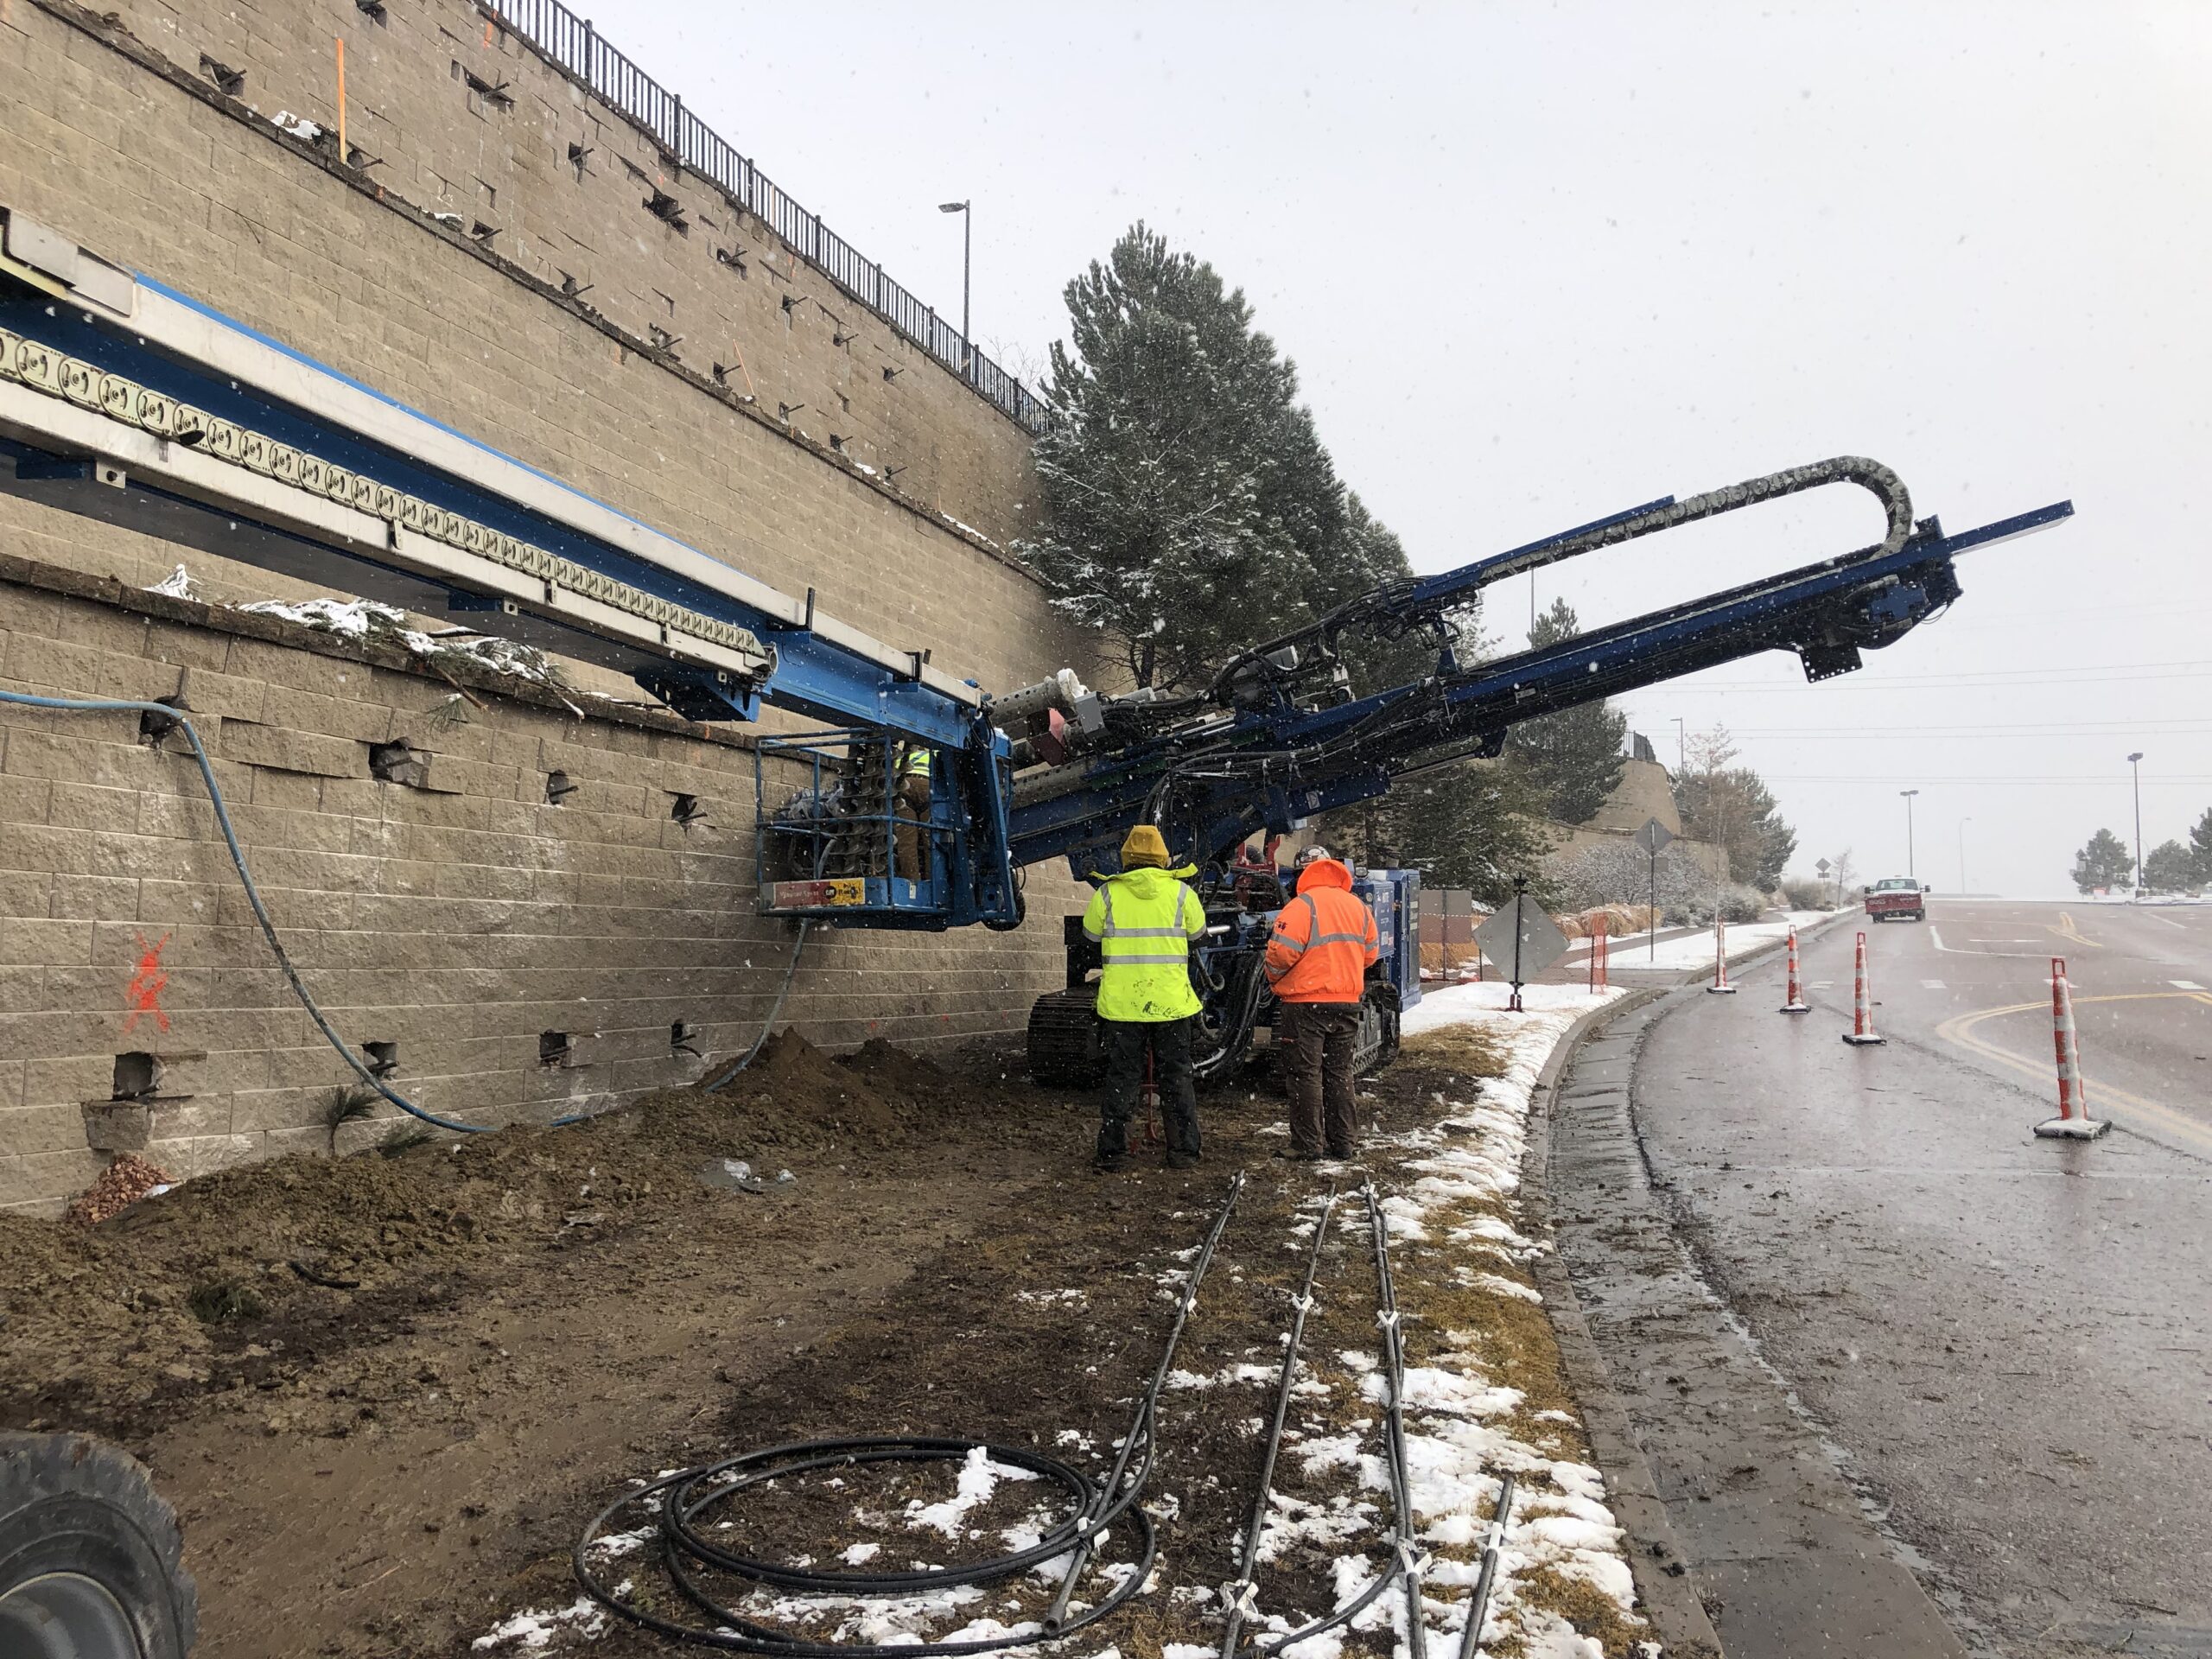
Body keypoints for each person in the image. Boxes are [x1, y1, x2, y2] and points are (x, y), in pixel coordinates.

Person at [1082, 823, 1208, 1172]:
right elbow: (1199, 934)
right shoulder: (1182, 894)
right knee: (1177, 1076)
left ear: (1127, 858)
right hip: (1171, 1003)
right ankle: (1182, 1152)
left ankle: (1113, 1153)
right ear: (1163, 857)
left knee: (1122, 1076)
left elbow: (1090, 935)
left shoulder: (1108, 894)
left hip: (1123, 1006)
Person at [1265, 845, 1380, 1161]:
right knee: (1340, 1072)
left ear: (1304, 873)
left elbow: (1280, 955)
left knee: (1305, 1074)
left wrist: (1275, 980)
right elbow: (1370, 954)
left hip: (1305, 1005)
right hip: (1346, 1002)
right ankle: (1343, 1143)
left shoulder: (1301, 907)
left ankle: (1307, 1144)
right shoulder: (1357, 907)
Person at [893, 742, 931, 880]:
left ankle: (912, 883)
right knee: (931, 842)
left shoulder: (902, 758)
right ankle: (932, 882)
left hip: (905, 788)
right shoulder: (933, 755)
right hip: (928, 788)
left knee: (907, 843)